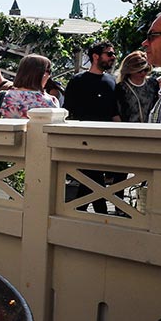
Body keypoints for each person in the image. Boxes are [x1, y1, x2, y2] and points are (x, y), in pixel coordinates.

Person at [62, 41, 122, 214]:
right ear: (96, 56)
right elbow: (68, 111)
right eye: (109, 54)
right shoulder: (77, 80)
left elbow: (113, 111)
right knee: (93, 178)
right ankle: (98, 214)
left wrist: (123, 134)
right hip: (83, 138)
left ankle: (78, 212)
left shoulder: (111, 81)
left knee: (92, 179)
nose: (113, 57)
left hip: (106, 139)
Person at [0, 54, 59, 119]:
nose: (49, 76)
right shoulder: (50, 101)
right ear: (42, 74)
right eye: (48, 71)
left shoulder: (1, 97)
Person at [114, 50, 161, 123]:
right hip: (129, 129)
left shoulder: (153, 84)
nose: (143, 73)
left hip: (150, 127)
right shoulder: (121, 87)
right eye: (139, 71)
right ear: (130, 69)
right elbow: (115, 112)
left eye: (146, 70)